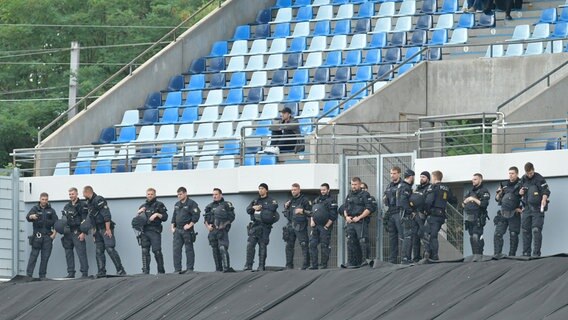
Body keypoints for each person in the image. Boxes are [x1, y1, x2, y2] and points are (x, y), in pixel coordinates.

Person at [83, 186, 126, 278]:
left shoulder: (99, 199)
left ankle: (121, 270)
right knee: (99, 251)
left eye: (83, 193)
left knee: (110, 248)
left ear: (87, 192)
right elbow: (92, 219)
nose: (83, 195)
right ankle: (101, 271)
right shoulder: (89, 203)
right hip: (97, 229)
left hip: (105, 228)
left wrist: (108, 229)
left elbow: (106, 214)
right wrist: (94, 233)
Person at [421, 171, 456, 263]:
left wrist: (426, 211)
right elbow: (453, 200)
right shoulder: (446, 188)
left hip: (433, 215)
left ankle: (431, 255)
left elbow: (429, 201)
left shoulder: (433, 187)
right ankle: (432, 255)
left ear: (434, 177)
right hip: (441, 215)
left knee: (428, 235)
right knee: (433, 235)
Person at [244, 183, 279, 271]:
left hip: (265, 227)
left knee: (262, 246)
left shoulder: (271, 200)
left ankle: (261, 266)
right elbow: (248, 210)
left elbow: (274, 207)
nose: (260, 190)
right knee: (250, 244)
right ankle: (248, 265)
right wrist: (253, 208)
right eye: (259, 188)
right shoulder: (255, 200)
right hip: (255, 226)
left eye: (262, 188)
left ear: (266, 190)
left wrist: (261, 207)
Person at [520, 162, 550, 257]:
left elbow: (546, 190)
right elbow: (519, 191)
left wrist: (544, 199)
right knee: (525, 231)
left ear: (533, 169)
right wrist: (520, 192)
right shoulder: (523, 179)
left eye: (531, 173)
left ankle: (536, 254)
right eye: (528, 173)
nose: (530, 175)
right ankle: (526, 253)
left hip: (537, 208)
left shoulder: (539, 178)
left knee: (536, 230)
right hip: (527, 208)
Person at [26, 192, 58, 279]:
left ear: (48, 200)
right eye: (43, 199)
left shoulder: (51, 210)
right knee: (33, 257)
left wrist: (54, 235)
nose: (44, 201)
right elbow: (28, 217)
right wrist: (32, 216)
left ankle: (42, 276)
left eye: (46, 199)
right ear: (40, 199)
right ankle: (29, 275)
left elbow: (57, 224)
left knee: (45, 258)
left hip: (48, 237)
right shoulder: (35, 208)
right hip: (37, 237)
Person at [136, 188, 168, 274]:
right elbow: (137, 221)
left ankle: (161, 271)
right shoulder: (143, 206)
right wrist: (138, 213)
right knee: (144, 251)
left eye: (151, 194)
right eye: (148, 194)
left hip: (155, 231)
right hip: (144, 231)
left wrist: (157, 214)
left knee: (157, 251)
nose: (150, 196)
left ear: (155, 195)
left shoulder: (159, 205)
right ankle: (145, 271)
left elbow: (165, 217)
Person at [493, 167, 523, 258]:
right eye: (509, 173)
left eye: (512, 173)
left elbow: (526, 198)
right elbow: (496, 198)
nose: (510, 175)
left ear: (517, 174)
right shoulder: (504, 184)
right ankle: (497, 255)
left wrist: (521, 209)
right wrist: (499, 193)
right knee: (498, 234)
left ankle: (512, 255)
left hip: (514, 213)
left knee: (513, 235)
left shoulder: (521, 183)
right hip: (503, 212)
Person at [204, 188, 236, 272]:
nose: (214, 196)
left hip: (222, 230)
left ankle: (226, 268)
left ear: (221, 195)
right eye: (213, 194)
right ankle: (218, 269)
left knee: (222, 248)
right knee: (215, 250)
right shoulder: (209, 206)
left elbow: (232, 217)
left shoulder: (227, 204)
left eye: (216, 194)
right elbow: (205, 219)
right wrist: (208, 227)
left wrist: (223, 225)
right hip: (212, 231)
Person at [343, 177, 373, 267]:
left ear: (360, 184)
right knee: (350, 241)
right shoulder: (349, 195)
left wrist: (359, 217)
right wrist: (346, 217)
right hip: (350, 221)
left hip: (360, 221)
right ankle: (351, 262)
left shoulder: (365, 194)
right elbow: (345, 208)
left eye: (355, 184)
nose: (353, 186)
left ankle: (365, 261)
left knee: (363, 241)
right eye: (352, 184)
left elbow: (369, 209)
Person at [60, 187, 89, 278]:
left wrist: (83, 233)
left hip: (78, 232)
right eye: (70, 194)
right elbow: (63, 219)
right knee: (68, 253)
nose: (71, 196)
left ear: (77, 194)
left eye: (72, 194)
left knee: (81, 253)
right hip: (68, 233)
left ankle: (84, 273)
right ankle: (71, 273)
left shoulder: (82, 205)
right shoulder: (67, 206)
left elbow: (86, 220)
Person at [171, 186, 200, 274]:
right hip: (177, 230)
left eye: (180, 194)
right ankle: (177, 269)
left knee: (189, 249)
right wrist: (172, 227)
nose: (179, 196)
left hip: (187, 230)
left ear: (185, 193)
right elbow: (174, 216)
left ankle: (190, 269)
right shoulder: (177, 204)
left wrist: (190, 224)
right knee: (176, 250)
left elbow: (196, 215)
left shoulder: (192, 203)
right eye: (178, 194)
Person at [283, 183, 312, 270]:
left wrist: (302, 211)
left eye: (295, 190)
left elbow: (311, 212)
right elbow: (286, 213)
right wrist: (285, 207)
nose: (293, 191)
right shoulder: (290, 201)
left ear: (299, 190)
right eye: (292, 190)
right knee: (289, 246)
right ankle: (289, 265)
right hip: (290, 226)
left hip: (300, 226)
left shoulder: (305, 200)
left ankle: (306, 265)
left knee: (304, 245)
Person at [309, 183, 338, 269]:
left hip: (325, 226)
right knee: (312, 244)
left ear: (328, 190)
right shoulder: (317, 199)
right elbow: (312, 212)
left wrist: (327, 226)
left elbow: (333, 215)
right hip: (315, 226)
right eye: (321, 190)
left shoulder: (332, 200)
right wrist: (312, 221)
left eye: (324, 190)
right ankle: (314, 265)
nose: (322, 191)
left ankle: (323, 265)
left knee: (324, 245)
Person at [463, 173, 491, 261]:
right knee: (472, 237)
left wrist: (473, 199)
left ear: (480, 180)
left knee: (476, 237)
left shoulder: (484, 191)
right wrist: (465, 202)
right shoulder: (470, 191)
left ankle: (479, 256)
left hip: (478, 218)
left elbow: (484, 204)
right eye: (473, 179)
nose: (473, 181)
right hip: (469, 218)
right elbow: (463, 204)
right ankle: (475, 256)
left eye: (475, 179)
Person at [409, 172, 431, 263]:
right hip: (415, 215)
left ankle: (426, 257)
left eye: (424, 177)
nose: (421, 178)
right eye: (420, 176)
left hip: (424, 216)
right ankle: (416, 258)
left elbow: (428, 202)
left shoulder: (429, 188)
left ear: (428, 179)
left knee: (423, 235)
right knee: (415, 236)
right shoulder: (417, 188)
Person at [382, 167, 402, 264]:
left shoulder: (402, 185)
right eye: (391, 173)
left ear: (399, 174)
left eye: (394, 173)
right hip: (391, 213)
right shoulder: (389, 185)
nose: (392, 175)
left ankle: (404, 258)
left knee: (402, 237)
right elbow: (385, 198)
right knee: (392, 238)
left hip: (399, 212)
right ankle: (392, 260)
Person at [398, 170, 415, 264]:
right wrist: (410, 211)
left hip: (401, 213)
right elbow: (404, 200)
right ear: (411, 177)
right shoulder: (406, 187)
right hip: (405, 214)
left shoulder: (400, 185)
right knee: (408, 236)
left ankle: (406, 257)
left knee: (406, 236)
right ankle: (405, 258)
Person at [360, 182, 378, 262]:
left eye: (364, 188)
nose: (362, 190)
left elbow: (373, 208)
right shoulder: (355, 197)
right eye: (361, 189)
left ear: (367, 189)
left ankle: (365, 260)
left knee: (364, 241)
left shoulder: (371, 198)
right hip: (354, 222)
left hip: (364, 222)